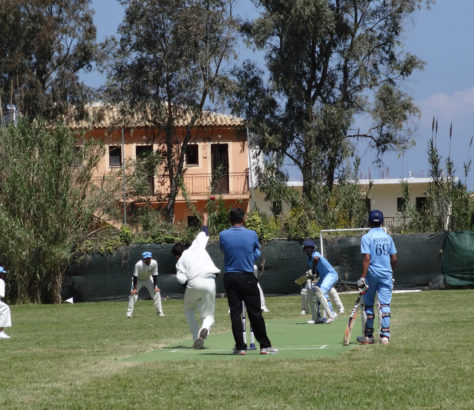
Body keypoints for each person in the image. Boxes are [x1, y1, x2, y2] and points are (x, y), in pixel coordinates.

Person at [219, 208, 278, 355]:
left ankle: (240, 347)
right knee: (255, 312)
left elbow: (225, 251)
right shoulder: (252, 234)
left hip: (231, 277)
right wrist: (250, 256)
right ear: (244, 219)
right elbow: (256, 252)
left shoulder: (223, 235)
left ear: (229, 220)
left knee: (235, 313)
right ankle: (264, 346)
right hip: (247, 276)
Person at [171, 212, 220, 349]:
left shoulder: (180, 261)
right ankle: (203, 331)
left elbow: (181, 280)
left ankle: (195, 337)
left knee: (188, 311)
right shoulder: (197, 245)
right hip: (210, 280)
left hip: (193, 283)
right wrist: (205, 218)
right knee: (208, 315)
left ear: (177, 256)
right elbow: (204, 231)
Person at [357, 210, 397, 345]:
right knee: (385, 305)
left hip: (372, 274)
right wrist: (391, 273)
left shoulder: (366, 237)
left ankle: (369, 336)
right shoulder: (388, 237)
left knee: (369, 305)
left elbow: (367, 258)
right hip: (386, 274)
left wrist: (362, 277)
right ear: (382, 222)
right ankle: (385, 336)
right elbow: (394, 258)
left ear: (369, 221)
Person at [302, 239, 340, 324]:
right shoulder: (308, 259)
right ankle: (317, 318)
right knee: (314, 292)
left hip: (331, 275)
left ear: (314, 248)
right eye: (307, 248)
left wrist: (313, 269)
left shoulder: (315, 254)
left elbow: (316, 258)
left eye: (310, 248)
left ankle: (333, 314)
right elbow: (318, 271)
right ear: (304, 249)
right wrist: (314, 275)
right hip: (323, 276)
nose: (308, 250)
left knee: (321, 291)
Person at [126, 251, 165, 318]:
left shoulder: (154, 263)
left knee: (157, 293)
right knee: (133, 294)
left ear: (151, 258)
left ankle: (160, 312)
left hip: (148, 279)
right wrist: (135, 289)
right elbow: (135, 276)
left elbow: (154, 275)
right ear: (143, 259)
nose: (148, 260)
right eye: (146, 258)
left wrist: (155, 287)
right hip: (138, 280)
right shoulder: (138, 264)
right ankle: (129, 314)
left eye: (149, 258)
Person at [0, 266, 12, 339]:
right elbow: (1, 295)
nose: (3, 275)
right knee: (5, 309)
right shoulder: (1, 281)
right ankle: (0, 331)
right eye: (2, 273)